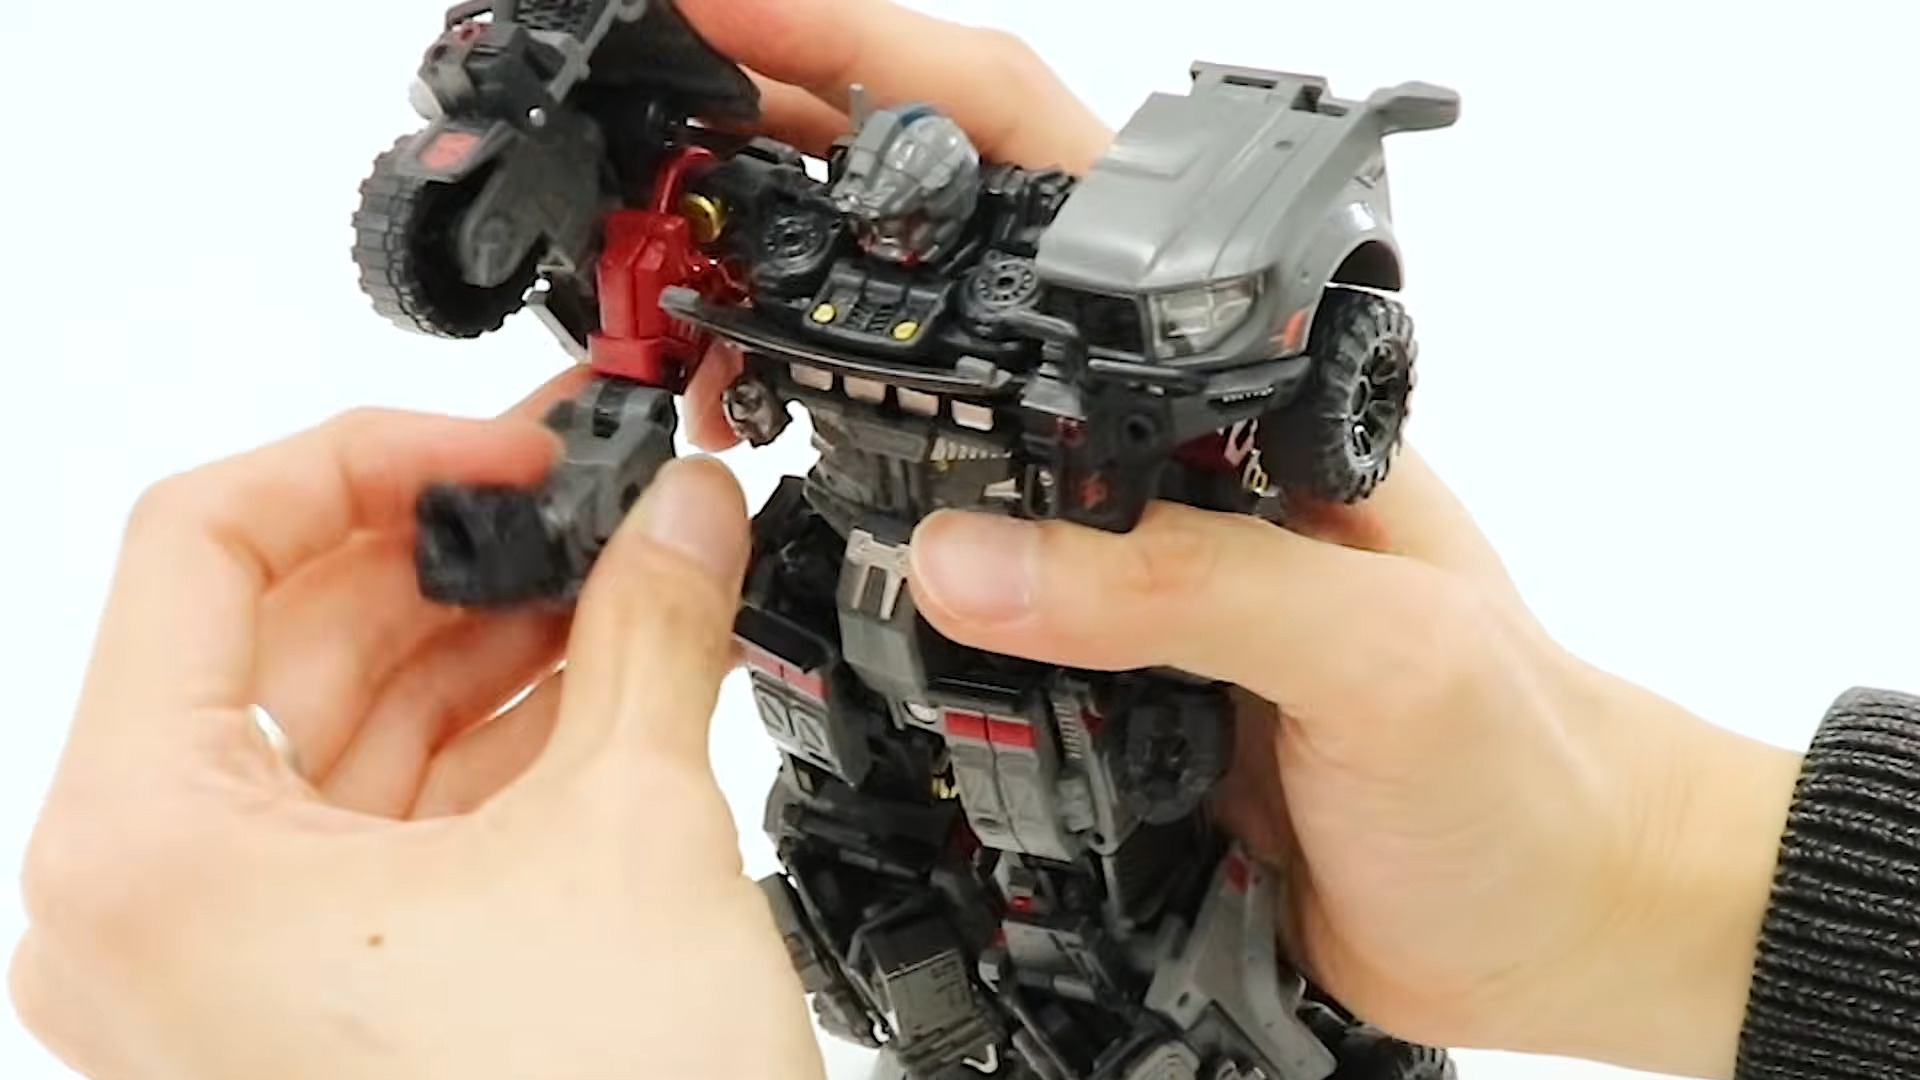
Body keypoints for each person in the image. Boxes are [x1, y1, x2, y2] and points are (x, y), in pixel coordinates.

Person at [12, 2, 1915, 1079]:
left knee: (1079, 889)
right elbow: (655, 324)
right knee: (853, 841)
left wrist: (1657, 883)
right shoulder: (792, 248)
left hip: (1053, 654)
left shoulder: (1036, 310)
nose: (893, 243)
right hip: (861, 605)